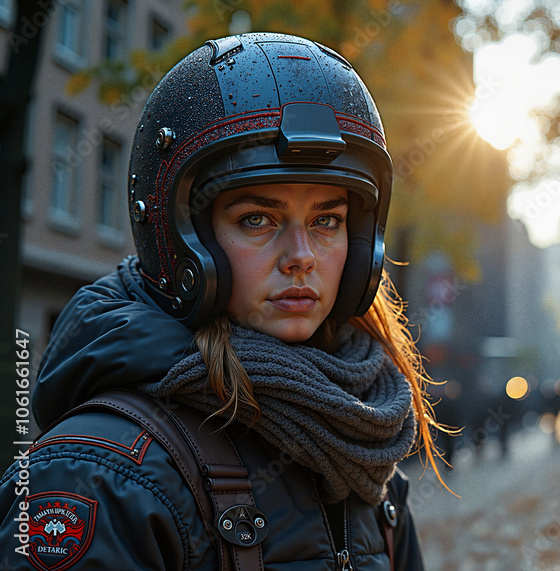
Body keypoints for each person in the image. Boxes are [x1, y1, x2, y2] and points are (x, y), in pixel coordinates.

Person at [0, 32, 444, 569]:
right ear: (180, 238)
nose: (301, 256)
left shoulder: (362, 450)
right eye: (257, 219)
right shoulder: (99, 476)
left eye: (327, 220)